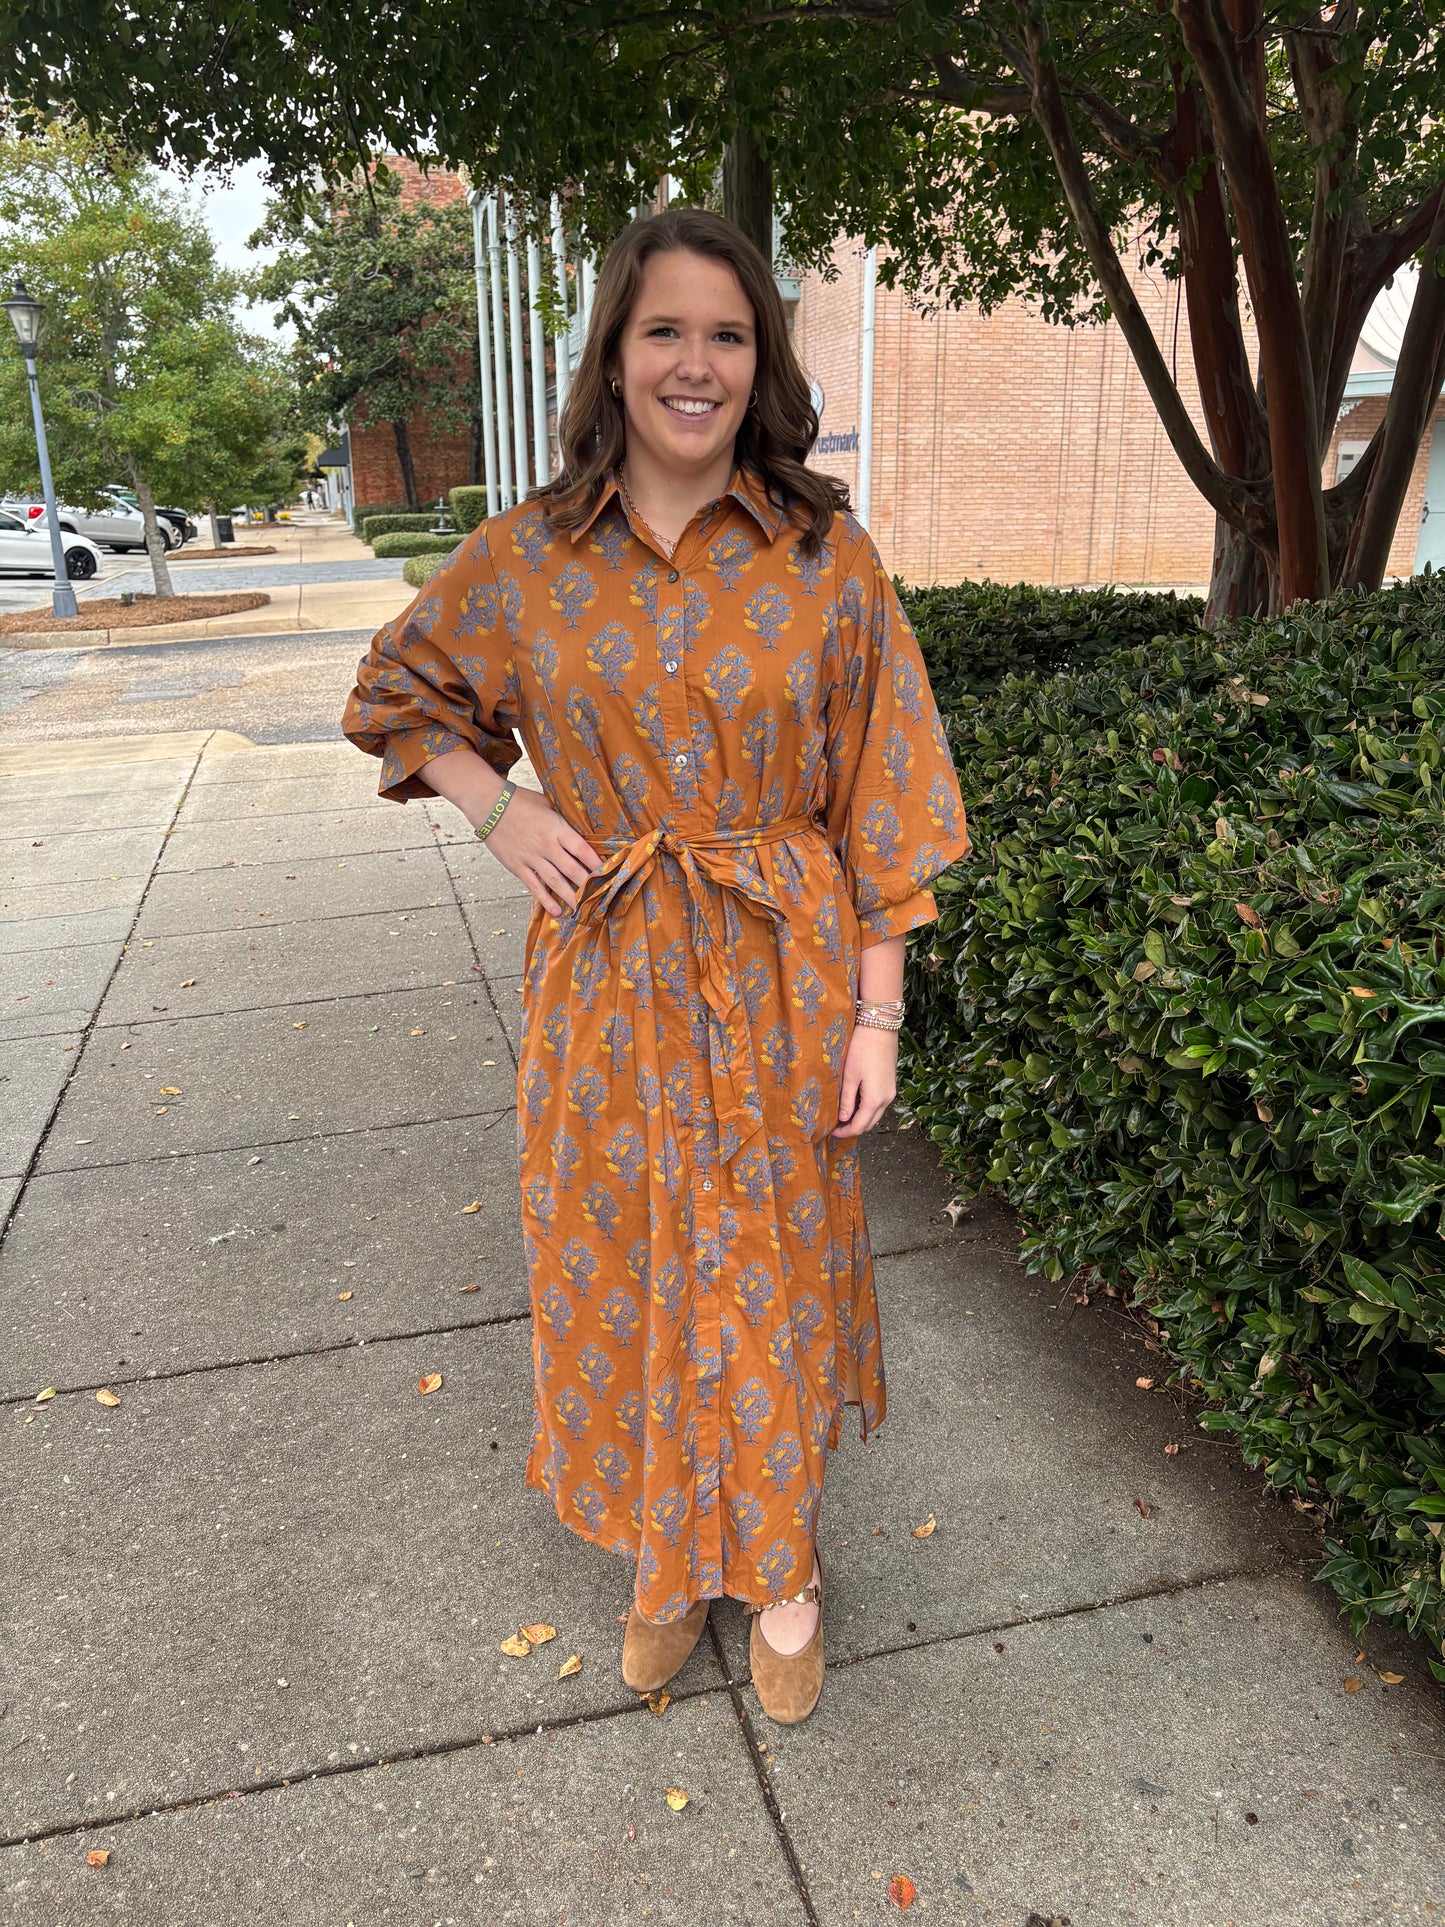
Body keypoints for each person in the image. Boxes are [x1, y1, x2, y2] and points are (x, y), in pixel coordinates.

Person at [341, 205, 970, 1726]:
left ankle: (778, 1565)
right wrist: (499, 806)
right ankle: (664, 1555)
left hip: (778, 975)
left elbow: (885, 788)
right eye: (665, 331)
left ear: (761, 365)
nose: (696, 363)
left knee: (760, 1273)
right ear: (614, 357)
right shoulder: (527, 558)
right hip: (608, 973)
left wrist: (877, 1011)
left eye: (728, 334)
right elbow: (397, 692)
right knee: (617, 1265)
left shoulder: (826, 557)